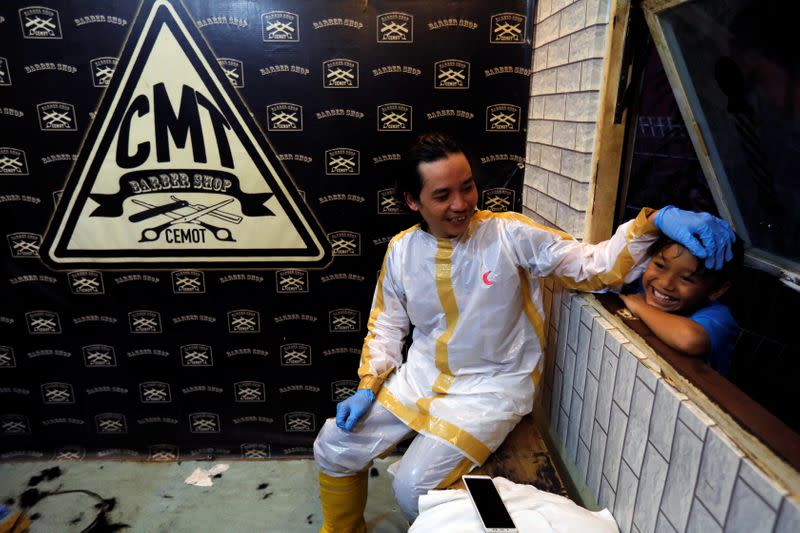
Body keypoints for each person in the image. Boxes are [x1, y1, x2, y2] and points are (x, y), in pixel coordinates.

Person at [313, 133, 735, 532]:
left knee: (413, 489)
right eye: (442, 195)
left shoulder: (509, 234)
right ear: (412, 201)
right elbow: (387, 324)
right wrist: (369, 383)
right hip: (420, 378)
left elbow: (593, 266)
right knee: (333, 443)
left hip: (492, 388)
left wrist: (652, 221)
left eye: (467, 187)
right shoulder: (402, 249)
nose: (461, 204)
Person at [619, 231, 743, 377]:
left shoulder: (718, 317)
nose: (665, 283)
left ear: (717, 290)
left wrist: (640, 307)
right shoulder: (642, 286)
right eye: (659, 265)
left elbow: (690, 340)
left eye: (686, 279)